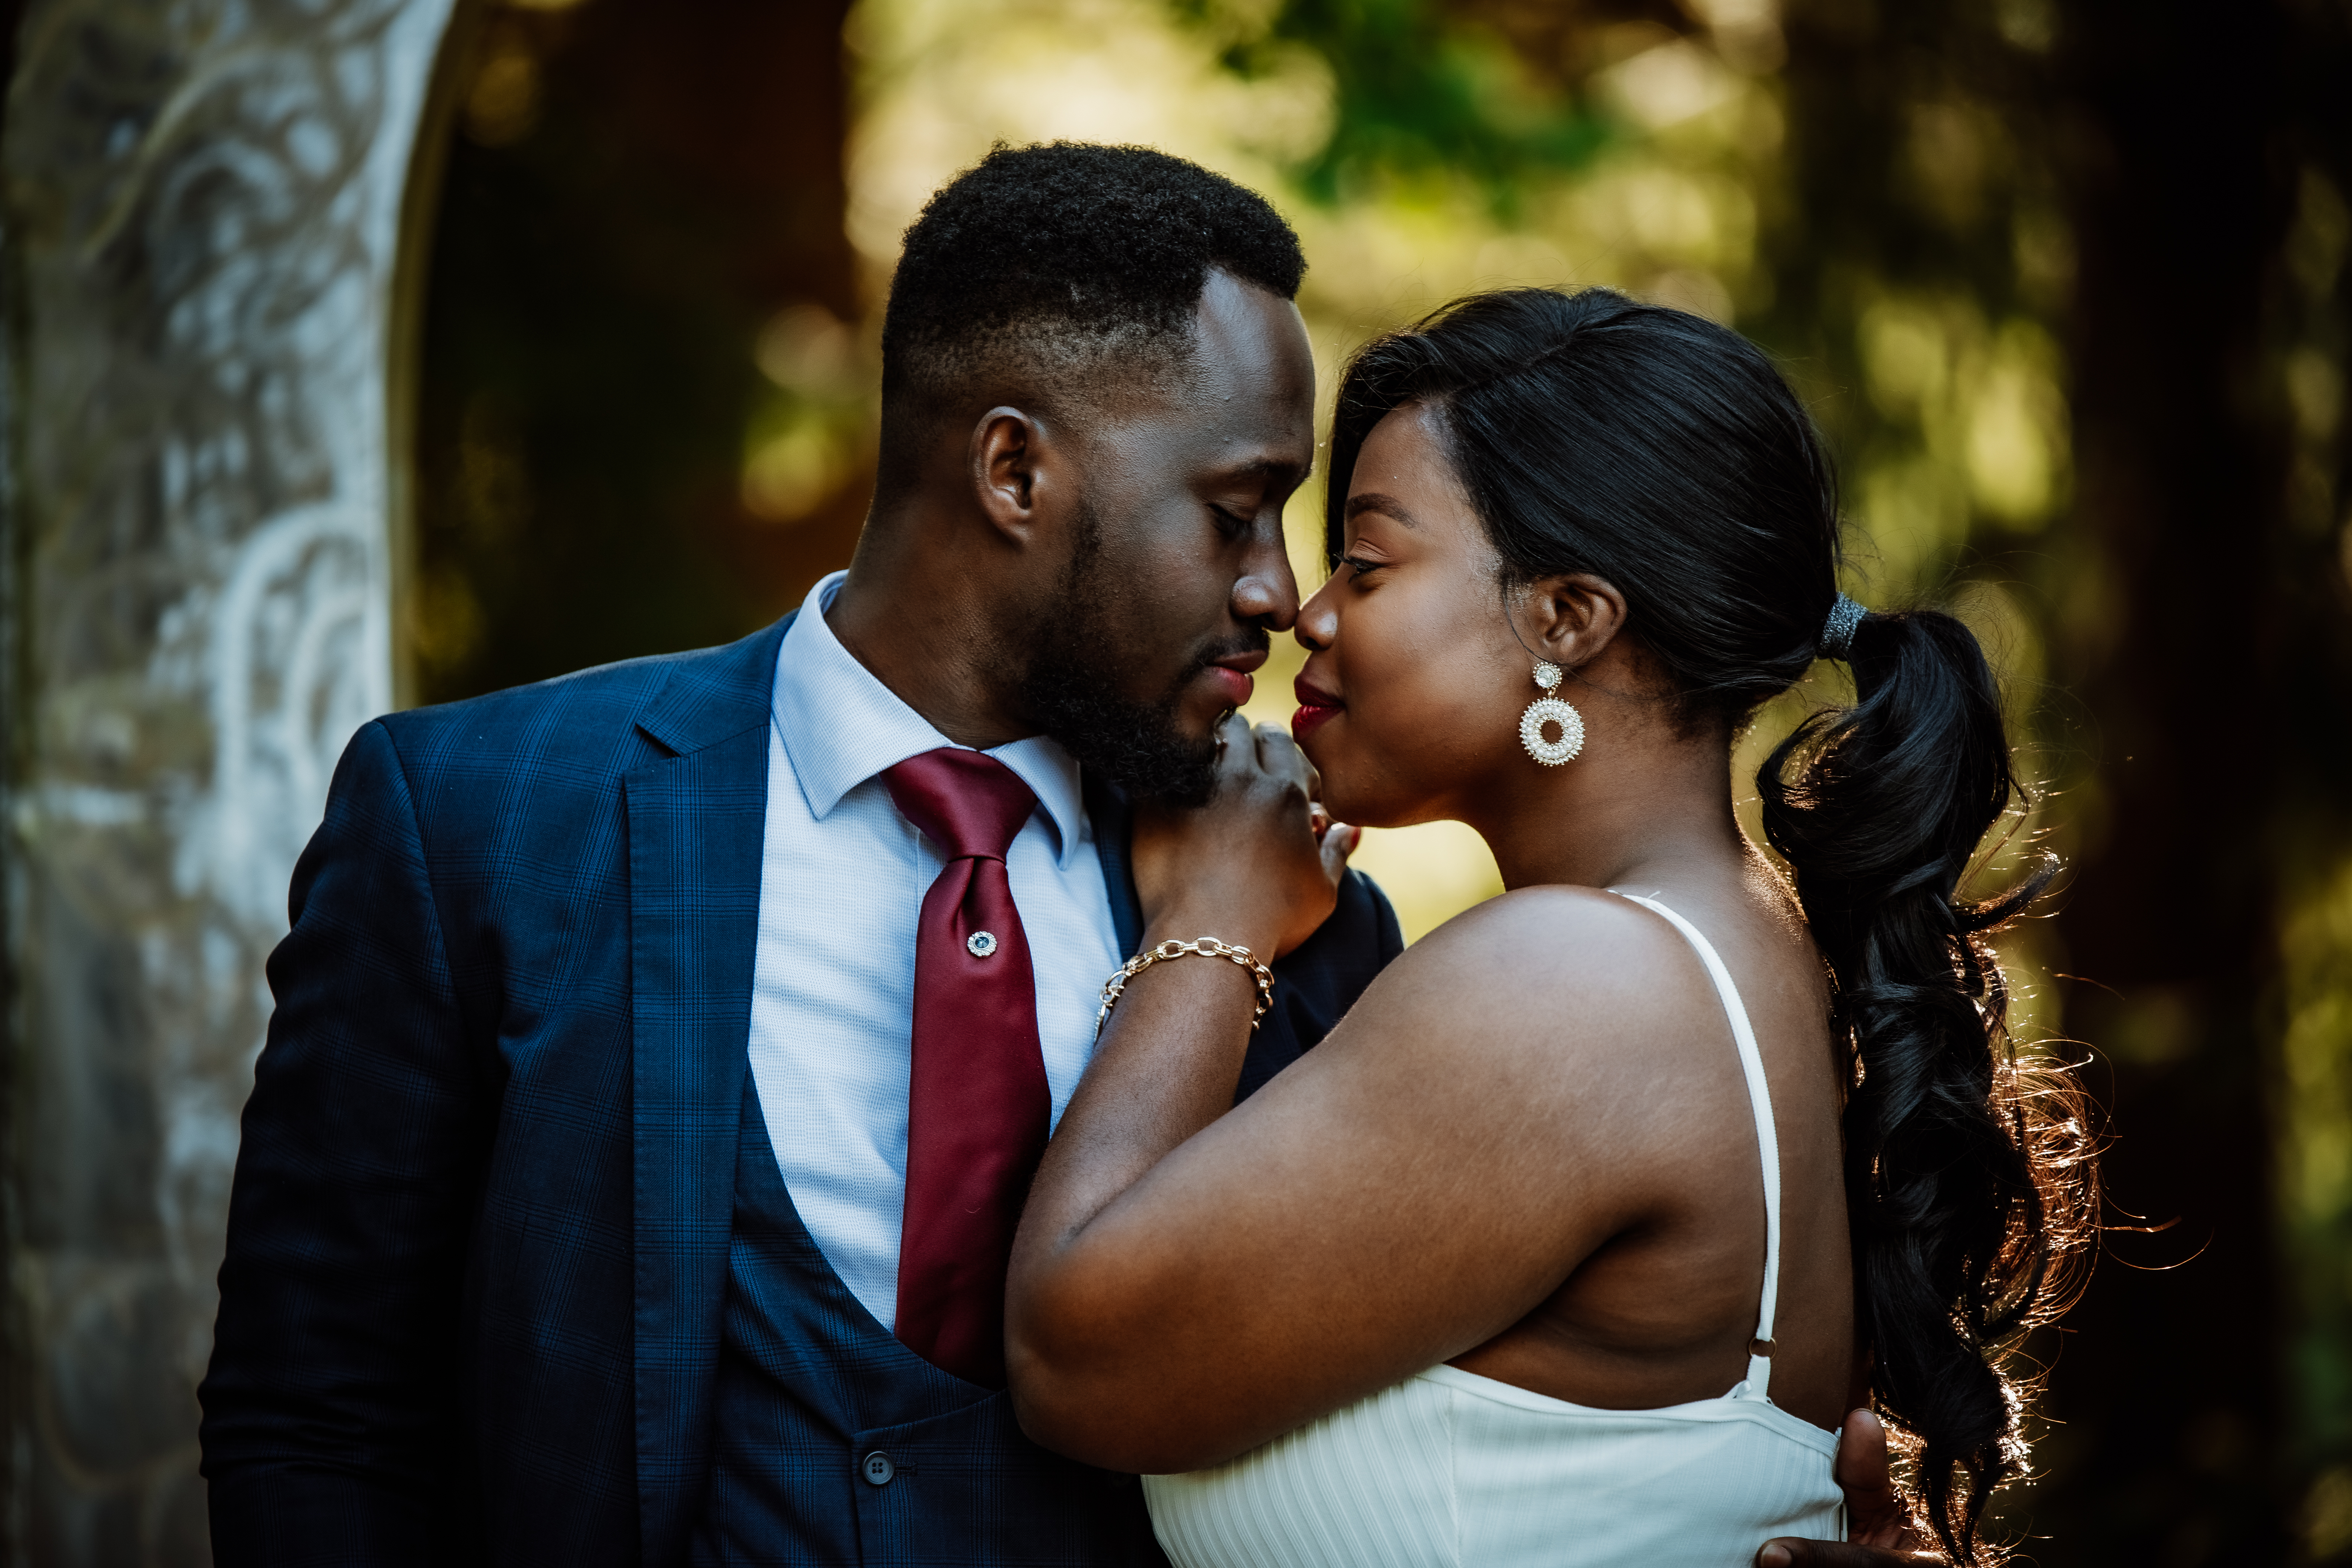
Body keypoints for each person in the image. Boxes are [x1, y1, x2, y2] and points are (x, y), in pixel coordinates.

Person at [198, 144, 1926, 1566]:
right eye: (1237, 507)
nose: (1280, 592)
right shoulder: (480, 816)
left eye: (1332, 539)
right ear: (1015, 470)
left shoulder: (1316, 916)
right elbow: (317, 1415)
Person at [1005, 289, 2098, 1566]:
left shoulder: (1581, 983)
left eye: (1368, 562)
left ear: (1566, 620)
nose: (1309, 613)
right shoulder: (1747, 953)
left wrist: (1213, 922)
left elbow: (1077, 1360)